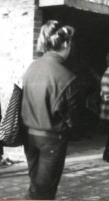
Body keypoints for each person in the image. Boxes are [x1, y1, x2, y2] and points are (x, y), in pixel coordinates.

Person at [21, 20, 82, 200]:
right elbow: (74, 117)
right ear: (65, 44)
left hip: (29, 137)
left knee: (36, 186)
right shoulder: (67, 77)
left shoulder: (32, 67)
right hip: (52, 140)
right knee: (44, 193)